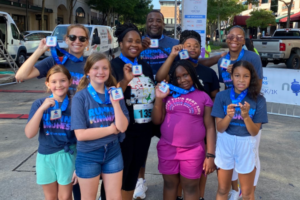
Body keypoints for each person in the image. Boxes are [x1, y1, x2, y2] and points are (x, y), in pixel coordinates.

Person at [134, 10, 226, 198]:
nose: (154, 23)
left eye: (158, 20)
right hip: (147, 101)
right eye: (150, 20)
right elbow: (159, 76)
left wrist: (210, 154)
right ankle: (139, 181)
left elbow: (194, 64)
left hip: (189, 137)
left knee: (188, 181)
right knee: (143, 147)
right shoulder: (139, 43)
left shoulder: (201, 93)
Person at [101, 23, 155, 200]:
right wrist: (124, 81)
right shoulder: (112, 66)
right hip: (120, 130)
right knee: (116, 173)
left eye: (138, 41)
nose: (134, 44)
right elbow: (107, 99)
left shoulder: (145, 66)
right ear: (121, 43)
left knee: (133, 171)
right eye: (129, 41)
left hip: (142, 129)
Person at [152, 60, 216, 200]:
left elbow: (210, 127)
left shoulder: (203, 96)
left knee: (191, 187)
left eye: (185, 75)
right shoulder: (168, 95)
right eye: (178, 77)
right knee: (169, 184)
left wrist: (210, 155)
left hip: (193, 151)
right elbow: (157, 120)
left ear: (192, 74)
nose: (182, 80)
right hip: (168, 148)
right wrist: (158, 99)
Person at [71, 53, 129, 200]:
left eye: (105, 68)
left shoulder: (115, 93)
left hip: (113, 151)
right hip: (89, 154)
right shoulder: (80, 97)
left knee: (115, 197)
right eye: (96, 68)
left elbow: (122, 127)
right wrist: (111, 129)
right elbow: (81, 134)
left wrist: (115, 103)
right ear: (88, 71)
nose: (101, 72)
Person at [211, 60, 268, 200]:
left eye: (246, 76)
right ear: (231, 77)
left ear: (251, 78)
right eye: (237, 75)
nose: (241, 80)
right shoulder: (221, 96)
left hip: (246, 143)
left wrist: (246, 116)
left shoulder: (258, 99)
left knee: (247, 193)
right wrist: (229, 116)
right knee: (223, 189)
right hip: (226, 142)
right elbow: (220, 128)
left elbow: (254, 131)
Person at [25, 65, 77, 200]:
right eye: (54, 82)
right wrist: (42, 109)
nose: (58, 85)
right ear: (47, 84)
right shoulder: (39, 104)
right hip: (45, 156)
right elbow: (29, 134)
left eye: (63, 80)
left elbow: (81, 137)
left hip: (67, 155)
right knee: (50, 197)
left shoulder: (75, 104)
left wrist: (79, 164)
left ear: (70, 82)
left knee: (65, 197)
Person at [15, 24, 89, 96]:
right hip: (59, 108)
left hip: (83, 108)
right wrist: (39, 50)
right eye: (72, 37)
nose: (77, 41)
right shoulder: (55, 61)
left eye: (82, 38)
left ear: (87, 42)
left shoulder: (92, 64)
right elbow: (21, 76)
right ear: (66, 39)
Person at [218, 26, 263, 90]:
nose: (234, 39)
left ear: (243, 41)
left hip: (248, 99)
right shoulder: (221, 61)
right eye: (231, 37)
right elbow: (226, 86)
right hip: (230, 99)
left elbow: (258, 85)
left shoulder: (253, 57)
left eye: (239, 37)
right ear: (227, 40)